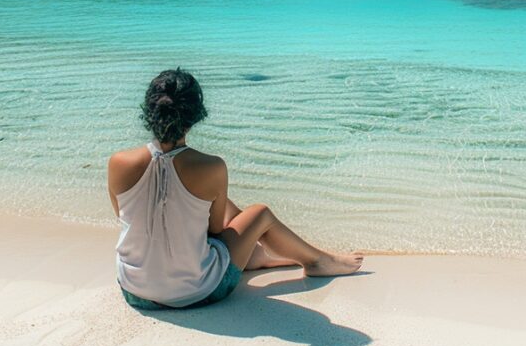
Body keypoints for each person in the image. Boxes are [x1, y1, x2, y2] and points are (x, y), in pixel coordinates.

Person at [108, 68, 364, 309]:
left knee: (202, 201)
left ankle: (260, 256)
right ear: (196, 115)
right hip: (199, 292)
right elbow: (217, 230)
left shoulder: (118, 162)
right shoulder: (212, 166)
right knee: (259, 213)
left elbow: (125, 215)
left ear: (150, 111)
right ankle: (315, 261)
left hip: (135, 291)